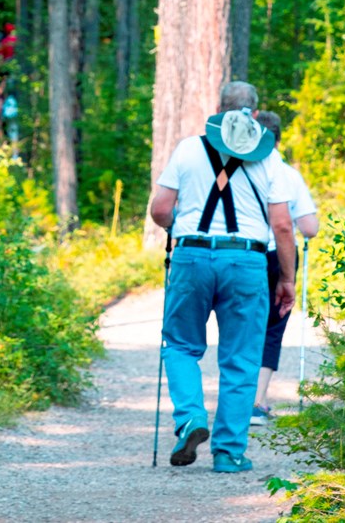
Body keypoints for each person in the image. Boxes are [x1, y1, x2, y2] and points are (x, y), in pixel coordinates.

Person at [149, 81, 296, 473]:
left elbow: (161, 209)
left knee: (180, 345)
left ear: (219, 109)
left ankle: (192, 418)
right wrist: (287, 278)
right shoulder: (270, 159)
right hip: (246, 262)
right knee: (242, 357)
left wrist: (177, 226)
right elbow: (282, 226)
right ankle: (229, 453)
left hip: (192, 255)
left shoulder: (188, 148)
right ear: (255, 112)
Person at [249, 111, 319, 426]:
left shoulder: (240, 169)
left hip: (244, 253)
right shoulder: (288, 174)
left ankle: (236, 396)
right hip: (279, 256)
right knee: (272, 328)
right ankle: (257, 400)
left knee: (241, 323)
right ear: (278, 139)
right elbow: (310, 227)